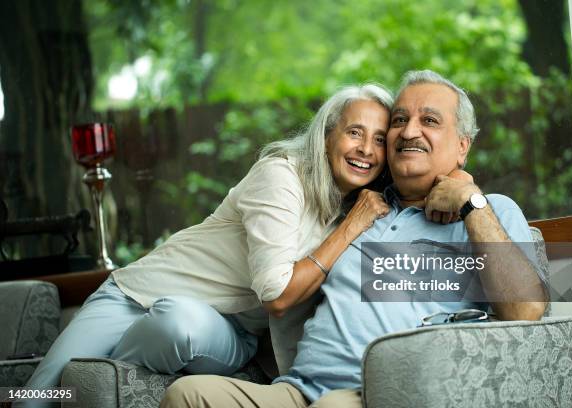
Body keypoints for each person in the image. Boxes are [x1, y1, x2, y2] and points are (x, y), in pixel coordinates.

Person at [160, 69, 549, 408]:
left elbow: (526, 312)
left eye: (429, 120)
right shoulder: (361, 210)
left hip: (374, 393)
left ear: (463, 146)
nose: (409, 131)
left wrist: (469, 200)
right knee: (187, 396)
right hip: (295, 391)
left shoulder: (488, 212)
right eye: (399, 119)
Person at [21, 84, 396, 406]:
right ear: (327, 135)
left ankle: (100, 374)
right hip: (133, 295)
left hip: (218, 330)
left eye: (380, 139)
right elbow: (278, 291)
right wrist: (350, 227)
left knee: (178, 323)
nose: (366, 149)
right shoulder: (282, 175)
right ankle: (94, 376)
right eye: (355, 133)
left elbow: (277, 299)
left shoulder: (364, 207)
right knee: (38, 396)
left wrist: (456, 189)